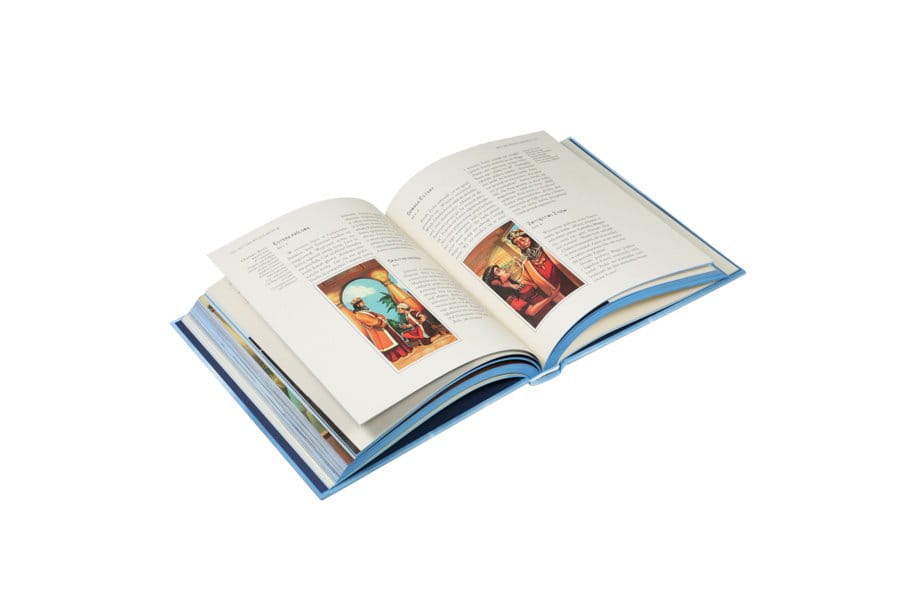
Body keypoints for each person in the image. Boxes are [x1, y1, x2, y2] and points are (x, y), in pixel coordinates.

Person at [506, 228, 579, 301]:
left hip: (573, 282)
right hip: (559, 294)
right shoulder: (526, 264)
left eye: (522, 240)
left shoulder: (549, 249)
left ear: (529, 237)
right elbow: (526, 281)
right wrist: (512, 285)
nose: (521, 244)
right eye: (517, 243)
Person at [482, 265, 559, 326]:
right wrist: (552, 297)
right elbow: (532, 311)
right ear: (495, 282)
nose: (503, 269)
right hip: (543, 318)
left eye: (500, 268)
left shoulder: (517, 284)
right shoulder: (510, 299)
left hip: (551, 308)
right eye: (498, 271)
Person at [350, 297, 412, 362]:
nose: (364, 303)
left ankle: (404, 351)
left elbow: (380, 315)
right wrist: (380, 319)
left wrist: (380, 317)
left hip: (383, 328)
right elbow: (375, 322)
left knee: (394, 340)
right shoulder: (359, 315)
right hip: (379, 331)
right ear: (358, 305)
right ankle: (397, 356)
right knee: (388, 343)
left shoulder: (365, 312)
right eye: (362, 302)